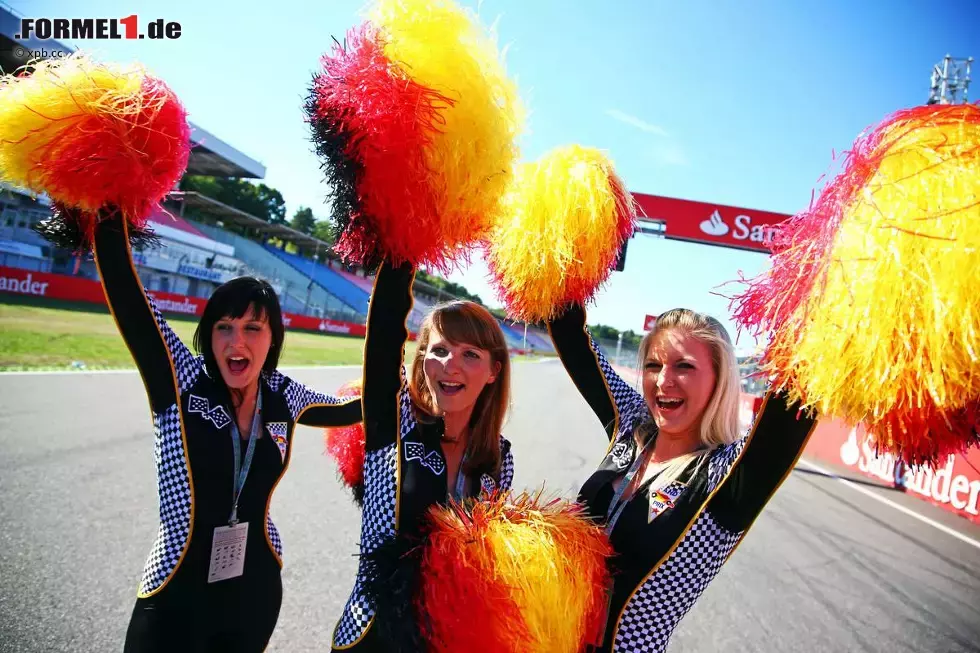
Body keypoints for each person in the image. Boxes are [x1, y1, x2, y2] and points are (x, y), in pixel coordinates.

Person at [84, 216, 362, 652]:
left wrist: (410, 379)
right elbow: (125, 288)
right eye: (224, 327)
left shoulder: (282, 393)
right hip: (174, 592)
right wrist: (105, 203)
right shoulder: (179, 378)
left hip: (255, 590)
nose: (237, 342)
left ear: (273, 340)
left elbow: (352, 409)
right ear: (208, 335)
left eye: (253, 328)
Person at [547, 302, 816, 653]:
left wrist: (815, 308)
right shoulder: (631, 422)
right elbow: (571, 336)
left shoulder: (726, 476)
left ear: (719, 380)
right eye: (653, 365)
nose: (663, 381)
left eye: (684, 366)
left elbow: (793, 402)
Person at [331, 259, 515, 651]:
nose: (451, 366)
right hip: (369, 635)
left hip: (445, 640)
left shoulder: (499, 458)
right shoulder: (393, 426)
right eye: (441, 350)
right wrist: (404, 248)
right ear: (422, 360)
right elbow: (382, 334)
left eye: (470, 354)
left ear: (493, 371)